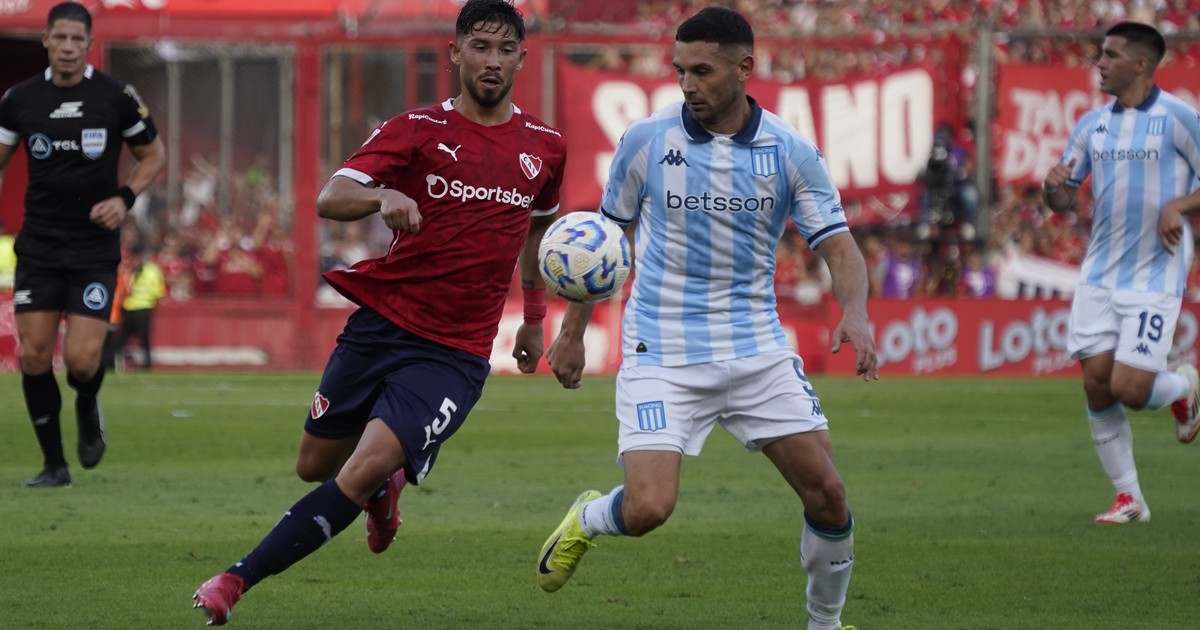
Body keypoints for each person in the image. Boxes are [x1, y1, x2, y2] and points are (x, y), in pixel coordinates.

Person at [191, 0, 566, 624]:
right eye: (480, 46)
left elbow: (536, 233)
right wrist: (383, 194)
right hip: (381, 322)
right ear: (455, 53)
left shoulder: (545, 149)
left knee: (359, 469)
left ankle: (234, 580)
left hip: (454, 350)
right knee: (314, 465)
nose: (492, 61)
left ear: (522, 59)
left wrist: (532, 316)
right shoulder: (416, 128)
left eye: (505, 50)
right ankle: (387, 490)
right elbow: (330, 197)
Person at [535, 8, 877, 630]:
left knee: (828, 494)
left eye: (702, 71)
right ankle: (587, 517)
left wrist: (855, 310)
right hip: (661, 350)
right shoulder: (647, 140)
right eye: (680, 71)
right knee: (648, 509)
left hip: (756, 348)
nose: (687, 84)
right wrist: (571, 335)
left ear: (744, 68)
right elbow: (604, 246)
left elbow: (839, 246)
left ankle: (824, 625)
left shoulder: (790, 151)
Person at [0, 2, 165, 488]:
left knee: (80, 361)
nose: (68, 47)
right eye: (60, 38)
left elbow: (153, 155)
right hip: (39, 247)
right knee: (34, 356)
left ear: (89, 45)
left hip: (93, 250)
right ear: (46, 41)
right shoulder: (19, 100)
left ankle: (88, 402)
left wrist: (124, 198)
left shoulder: (115, 96)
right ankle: (54, 465)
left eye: (77, 39)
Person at [1042, 21, 1200, 524]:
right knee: (1096, 384)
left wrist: (1179, 205)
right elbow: (1063, 197)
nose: (1100, 63)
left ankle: (1183, 388)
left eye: (1110, 55)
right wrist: (1053, 187)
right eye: (1100, 54)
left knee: (1131, 390)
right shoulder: (1091, 125)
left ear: (1141, 63)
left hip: (1156, 270)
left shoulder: (1180, 118)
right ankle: (1129, 499)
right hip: (1100, 272)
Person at [114, 246, 165, 370]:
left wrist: (143, 293)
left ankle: (147, 363)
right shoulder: (128, 271)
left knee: (144, 337)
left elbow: (158, 290)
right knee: (122, 337)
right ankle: (111, 360)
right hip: (128, 308)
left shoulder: (152, 270)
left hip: (143, 307)